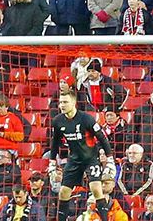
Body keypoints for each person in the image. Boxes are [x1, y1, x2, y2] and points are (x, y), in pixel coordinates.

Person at [48, 85, 112, 213]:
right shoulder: (57, 121)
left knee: (96, 189)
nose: (62, 105)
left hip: (90, 159)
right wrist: (52, 162)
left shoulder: (86, 118)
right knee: (63, 193)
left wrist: (110, 159)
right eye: (60, 102)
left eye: (65, 102)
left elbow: (102, 138)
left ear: (74, 102)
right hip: (74, 160)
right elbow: (55, 143)